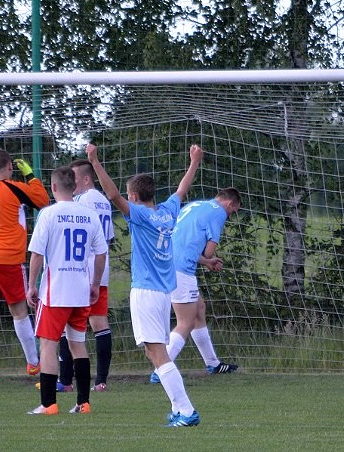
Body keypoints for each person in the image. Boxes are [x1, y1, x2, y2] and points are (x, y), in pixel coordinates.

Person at [87, 142, 203, 427]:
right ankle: (179, 409)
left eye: (129, 195)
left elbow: (112, 194)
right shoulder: (167, 211)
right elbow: (182, 189)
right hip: (162, 292)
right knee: (153, 351)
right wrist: (194, 162)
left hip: (146, 291)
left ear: (135, 197)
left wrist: (95, 161)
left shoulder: (140, 215)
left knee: (158, 353)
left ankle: (187, 411)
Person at [25, 166, 107, 415]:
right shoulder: (89, 215)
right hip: (80, 291)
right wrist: (95, 284)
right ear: (74, 186)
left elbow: (37, 254)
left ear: (53, 187)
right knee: (78, 345)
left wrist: (31, 285)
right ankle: (83, 403)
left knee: (48, 345)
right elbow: (101, 253)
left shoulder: (48, 214)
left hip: (55, 292)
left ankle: (48, 404)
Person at [0, 148, 50, 378]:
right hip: (8, 257)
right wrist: (31, 176)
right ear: (10, 167)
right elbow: (43, 201)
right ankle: (33, 363)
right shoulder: (16, 188)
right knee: (19, 310)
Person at [150, 188, 243, 384]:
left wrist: (205, 262)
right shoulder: (219, 213)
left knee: (199, 309)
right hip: (181, 269)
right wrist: (208, 258)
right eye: (233, 211)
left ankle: (213, 363)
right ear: (229, 204)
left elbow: (184, 243)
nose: (230, 215)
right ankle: (160, 369)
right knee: (186, 322)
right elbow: (208, 251)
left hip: (165, 263)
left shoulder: (195, 205)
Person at [54, 154, 116, 392]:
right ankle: (101, 380)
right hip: (101, 268)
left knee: (66, 322)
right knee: (99, 322)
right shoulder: (104, 202)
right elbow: (107, 239)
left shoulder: (80, 201)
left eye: (75, 179)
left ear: (87, 179)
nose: (72, 184)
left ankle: (65, 380)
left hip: (79, 269)